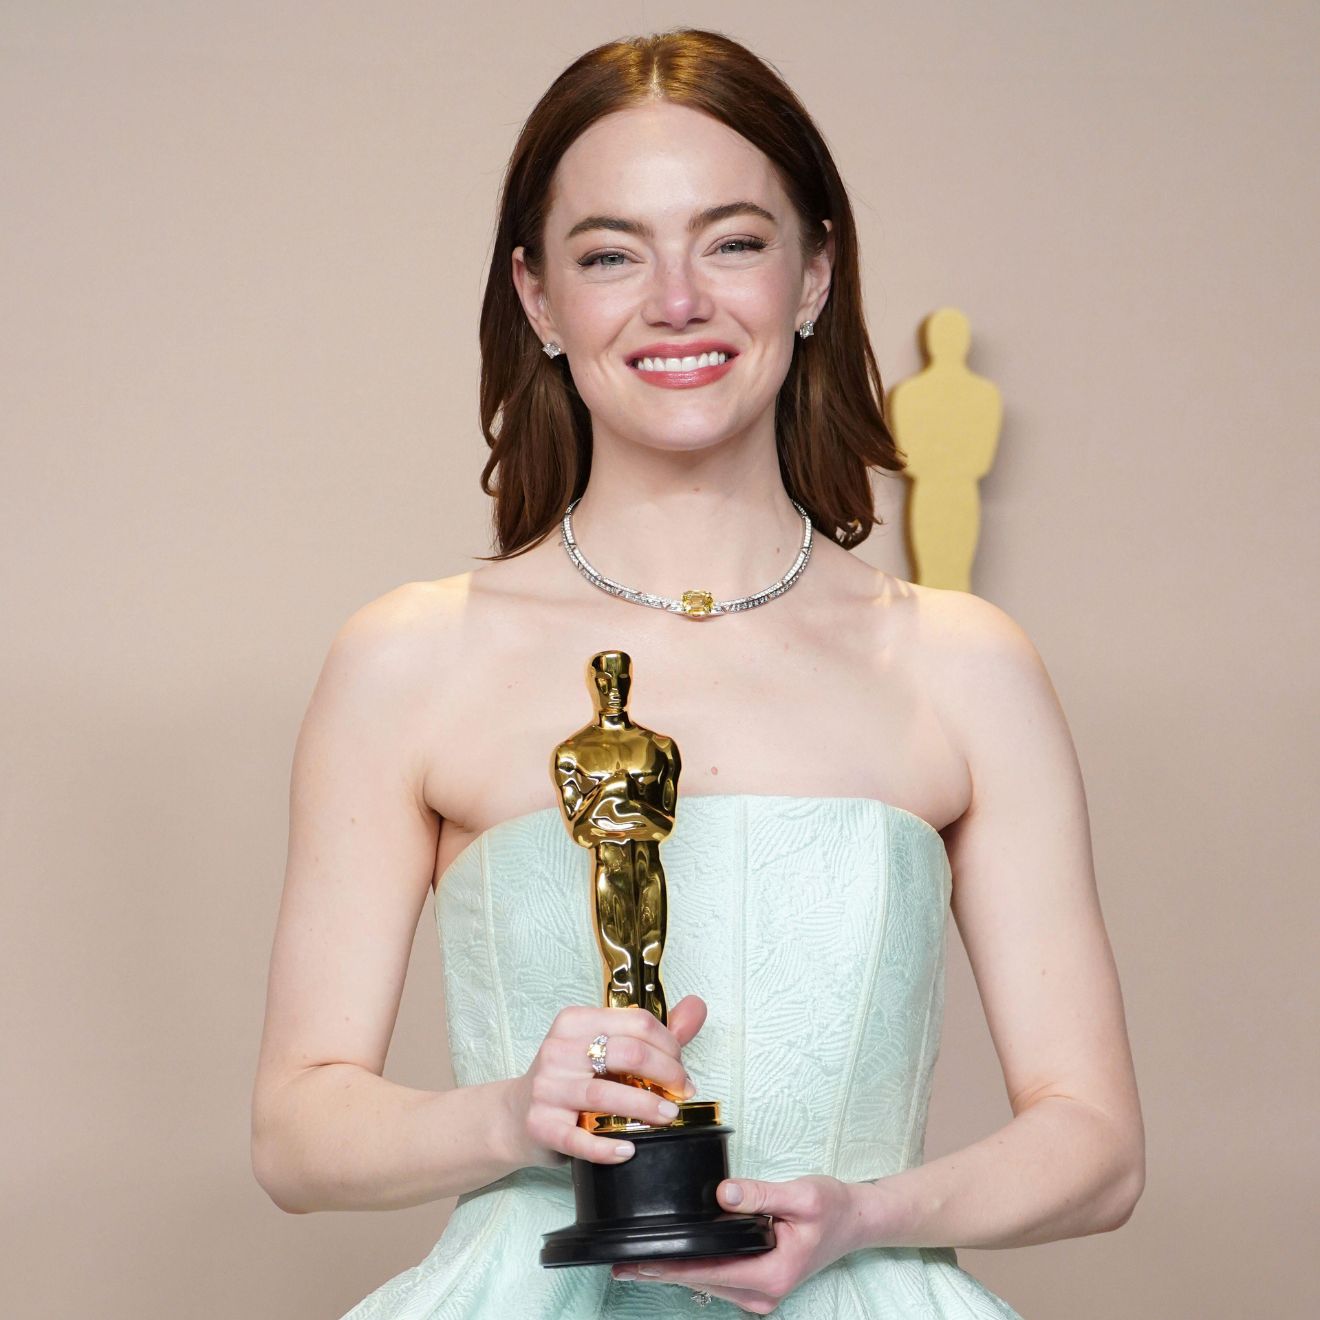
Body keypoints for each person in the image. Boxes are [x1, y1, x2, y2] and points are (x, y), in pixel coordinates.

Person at [251, 27, 1144, 1318]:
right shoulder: (410, 656)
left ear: (815, 271)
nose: (677, 301)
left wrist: (865, 1217)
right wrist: (511, 1115)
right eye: (611, 254)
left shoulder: (963, 664)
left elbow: (1098, 1144)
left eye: (731, 242)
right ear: (539, 299)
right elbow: (295, 1130)